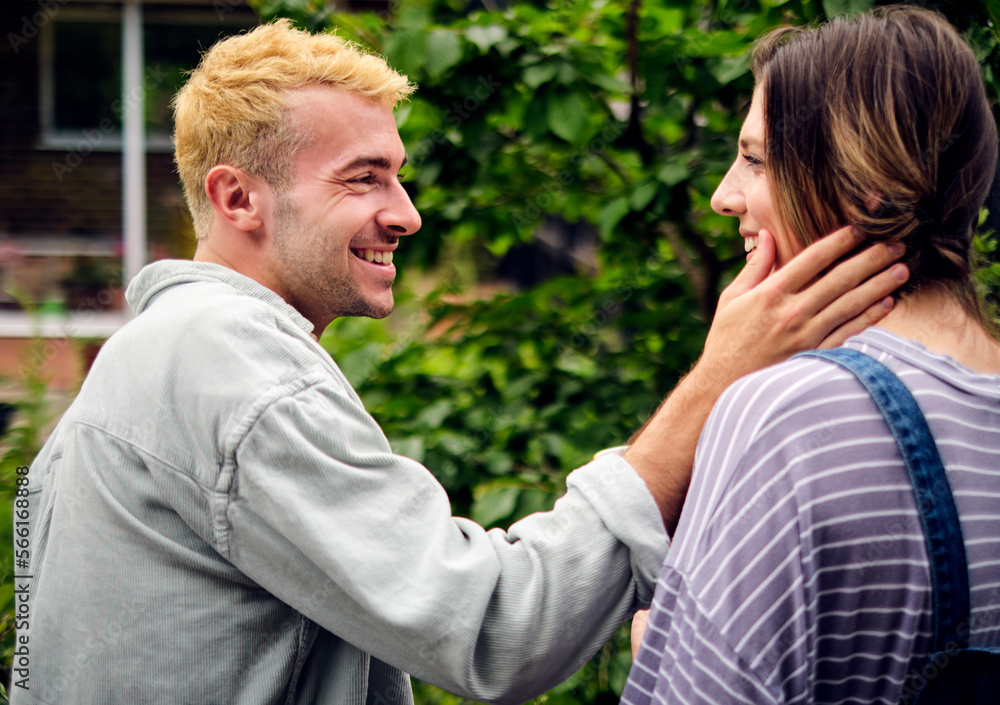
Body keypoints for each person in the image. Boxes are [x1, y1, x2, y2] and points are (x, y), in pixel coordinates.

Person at [14, 20, 907, 705]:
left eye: (398, 175)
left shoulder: (142, 363)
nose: (406, 213)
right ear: (237, 196)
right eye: (363, 178)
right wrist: (717, 379)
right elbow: (498, 630)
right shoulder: (230, 364)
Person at [623, 6, 1000, 705]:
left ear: (868, 185)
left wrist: (663, 649)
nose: (721, 196)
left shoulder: (786, 417)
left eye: (757, 160)